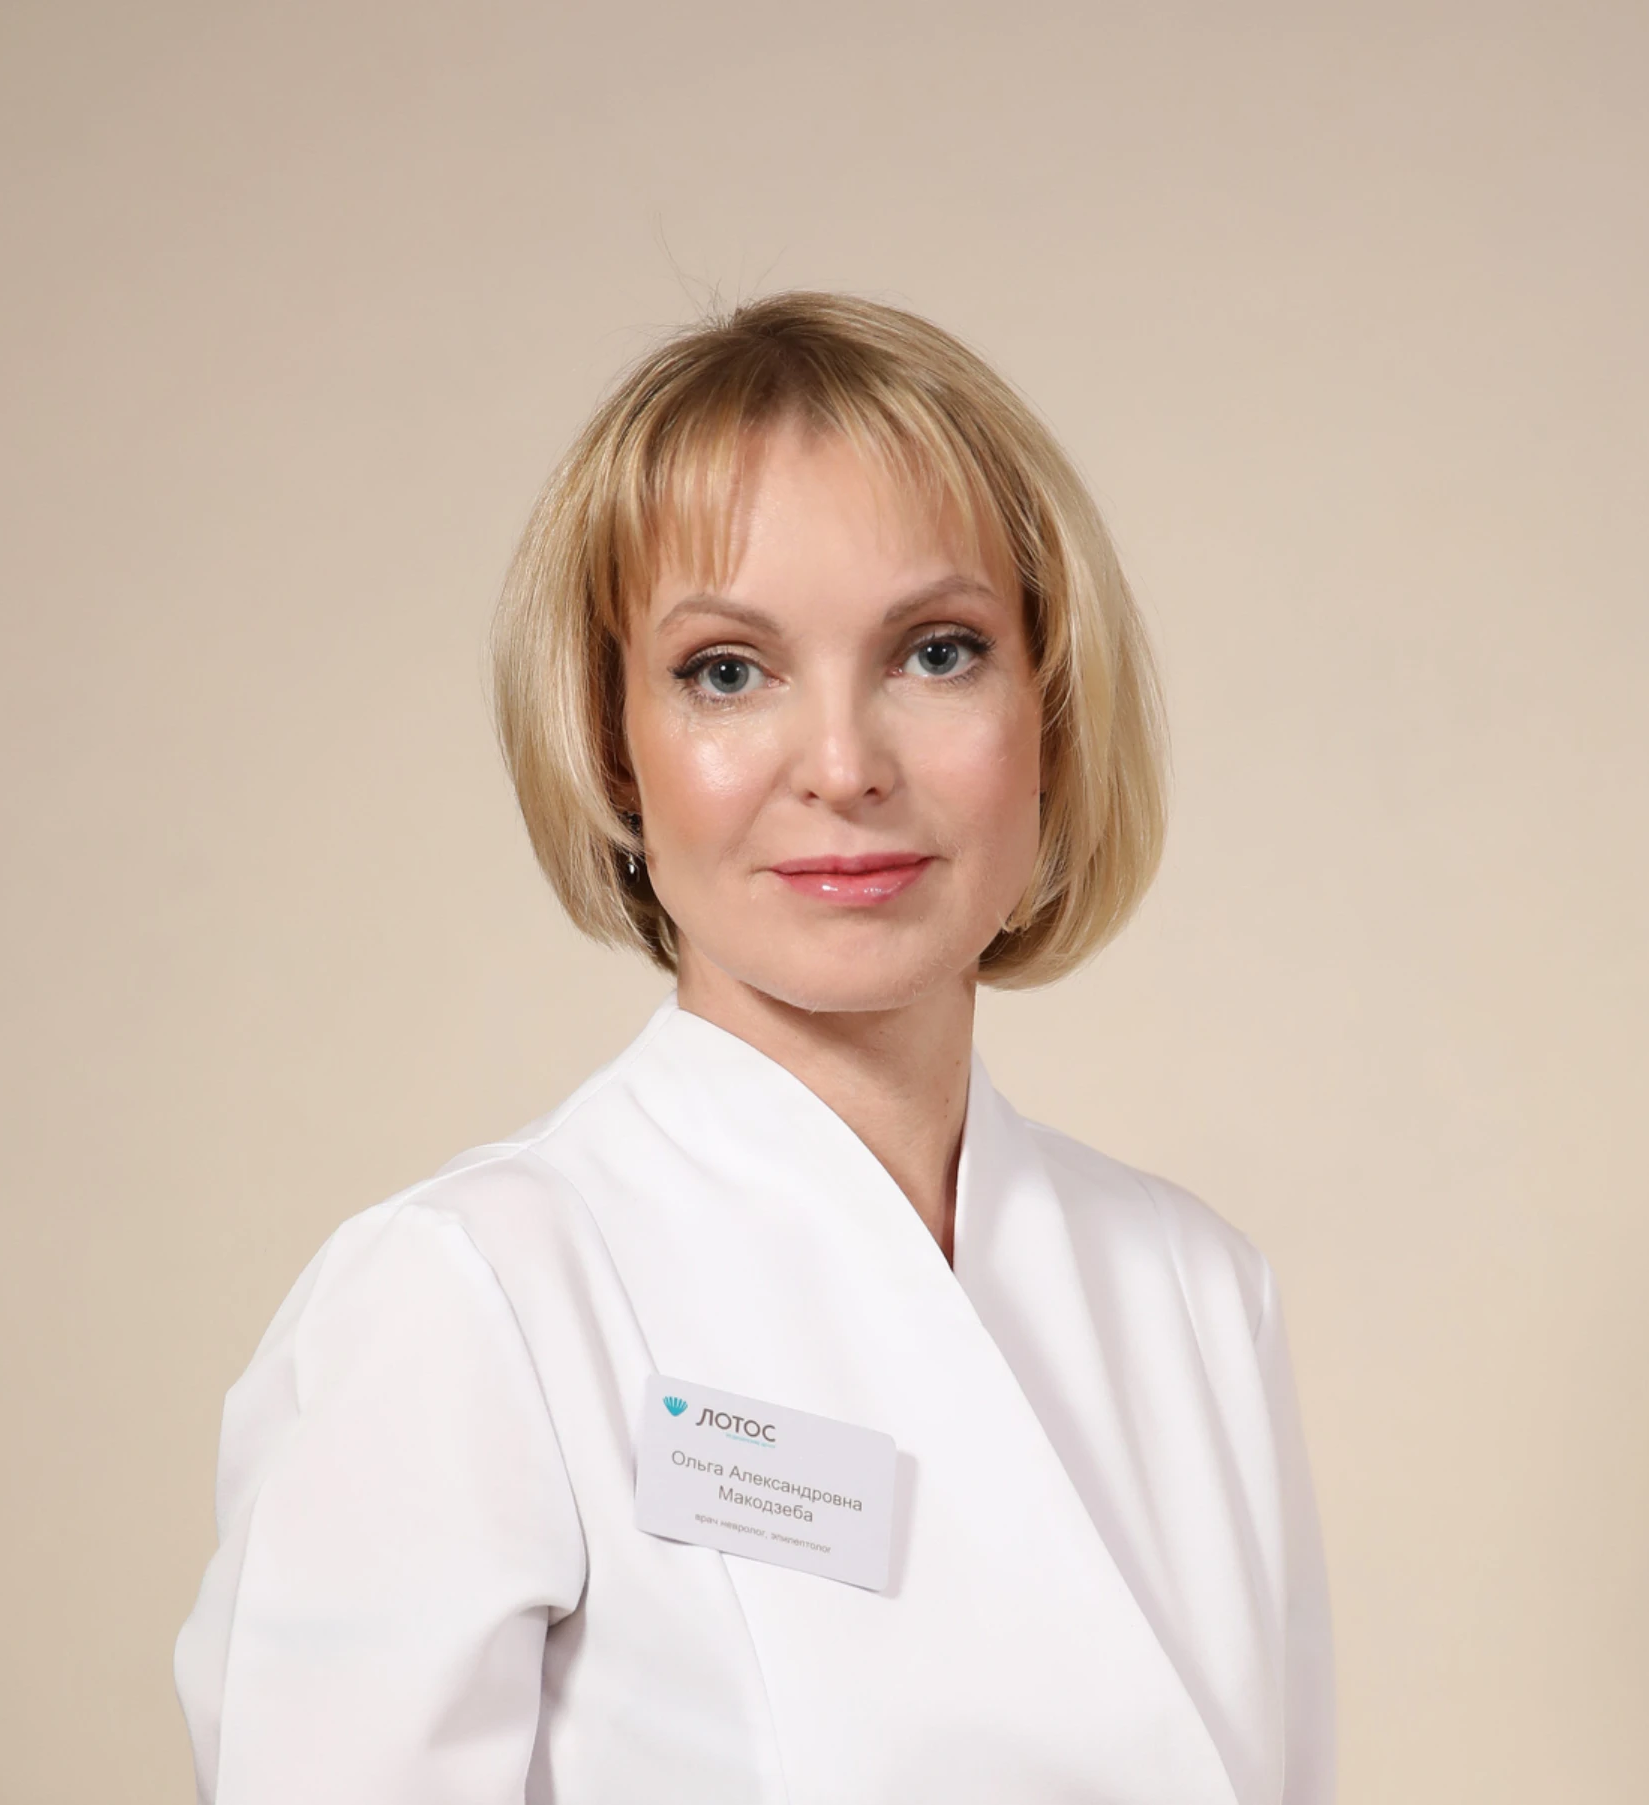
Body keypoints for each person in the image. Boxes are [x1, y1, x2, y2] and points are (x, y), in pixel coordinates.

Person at [174, 292, 1334, 1804]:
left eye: (936, 652)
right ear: (612, 747)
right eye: (727, 670)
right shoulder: (473, 1301)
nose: (844, 769)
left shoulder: (1193, 1296)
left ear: (1049, 708)